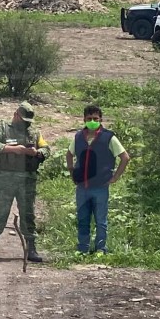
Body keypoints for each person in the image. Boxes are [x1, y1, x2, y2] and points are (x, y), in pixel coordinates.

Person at [0, 102, 50, 262]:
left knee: (28, 214)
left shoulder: (34, 132)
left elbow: (47, 149)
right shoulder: (3, 128)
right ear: (16, 115)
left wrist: (37, 152)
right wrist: (14, 149)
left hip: (27, 179)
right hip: (5, 177)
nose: (25, 123)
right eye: (23, 119)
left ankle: (31, 249)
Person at [66, 105, 130, 255]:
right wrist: (72, 172)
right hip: (82, 187)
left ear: (101, 119)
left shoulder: (109, 137)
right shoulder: (78, 137)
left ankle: (100, 249)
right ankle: (83, 248)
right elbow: (69, 154)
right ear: (84, 119)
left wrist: (115, 178)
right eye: (89, 119)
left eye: (95, 119)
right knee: (82, 219)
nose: (93, 121)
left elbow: (125, 157)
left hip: (100, 187)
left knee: (101, 221)